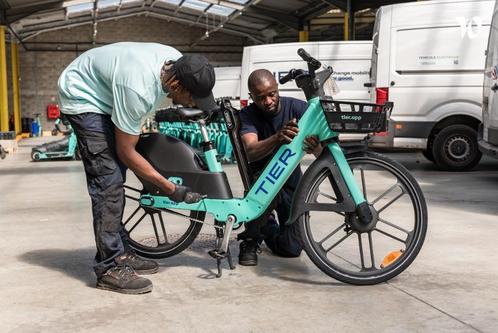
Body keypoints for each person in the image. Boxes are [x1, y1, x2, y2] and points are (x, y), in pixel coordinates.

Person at [57, 42, 216, 294]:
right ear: (176, 85)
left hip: (110, 91)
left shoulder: (178, 61)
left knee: (118, 171)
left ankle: (121, 252)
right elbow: (126, 151)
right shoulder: (138, 90)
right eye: (192, 98)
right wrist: (169, 188)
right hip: (83, 94)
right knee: (108, 179)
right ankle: (109, 267)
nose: (193, 104)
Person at [238, 69, 322, 266]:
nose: (267, 101)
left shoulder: (299, 108)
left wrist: (314, 146)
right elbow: (250, 151)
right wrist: (277, 138)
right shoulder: (248, 115)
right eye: (260, 98)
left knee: (291, 249)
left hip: (292, 183)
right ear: (251, 97)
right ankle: (250, 239)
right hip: (262, 184)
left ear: (277, 89)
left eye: (271, 94)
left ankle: (267, 228)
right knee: (269, 190)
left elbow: (323, 152)